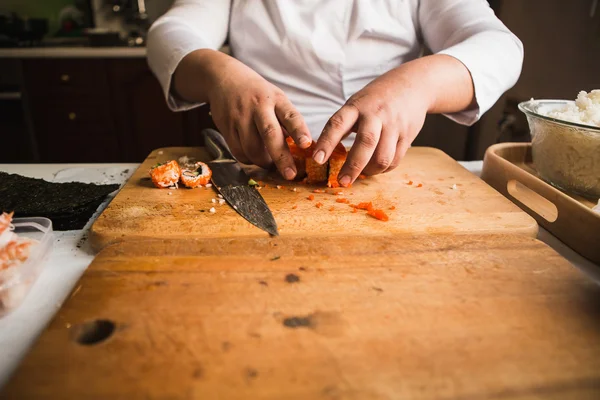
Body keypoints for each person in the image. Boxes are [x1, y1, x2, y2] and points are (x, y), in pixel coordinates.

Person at [147, 0, 523, 187]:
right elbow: (172, 32)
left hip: (381, 176)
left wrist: (418, 84)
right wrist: (219, 74)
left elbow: (500, 46)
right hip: (255, 167)